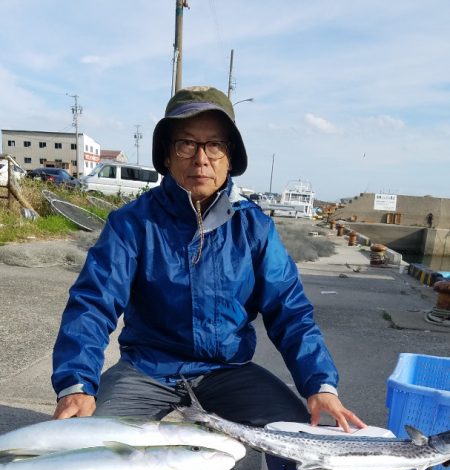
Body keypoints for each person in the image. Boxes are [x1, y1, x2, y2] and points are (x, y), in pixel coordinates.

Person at [52, 85, 365, 436]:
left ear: (230, 158)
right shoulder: (132, 224)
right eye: (186, 144)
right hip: (147, 367)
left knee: (299, 433)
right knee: (84, 437)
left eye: (215, 145)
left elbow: (289, 311)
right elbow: (93, 304)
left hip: (227, 369)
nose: (201, 158)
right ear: (167, 155)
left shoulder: (255, 228)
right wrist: (76, 384)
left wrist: (320, 384)